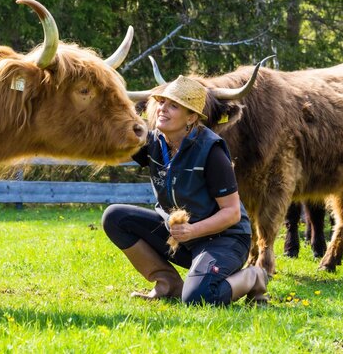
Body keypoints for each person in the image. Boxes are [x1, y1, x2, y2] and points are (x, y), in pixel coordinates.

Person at [101, 75, 268, 305]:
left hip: (224, 240)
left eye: (174, 106)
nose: (162, 109)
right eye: (161, 102)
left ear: (191, 117)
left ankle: (254, 277)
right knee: (115, 217)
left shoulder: (211, 151)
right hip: (181, 236)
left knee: (198, 298)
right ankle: (167, 283)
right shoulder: (153, 142)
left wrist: (193, 230)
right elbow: (112, 147)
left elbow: (232, 213)